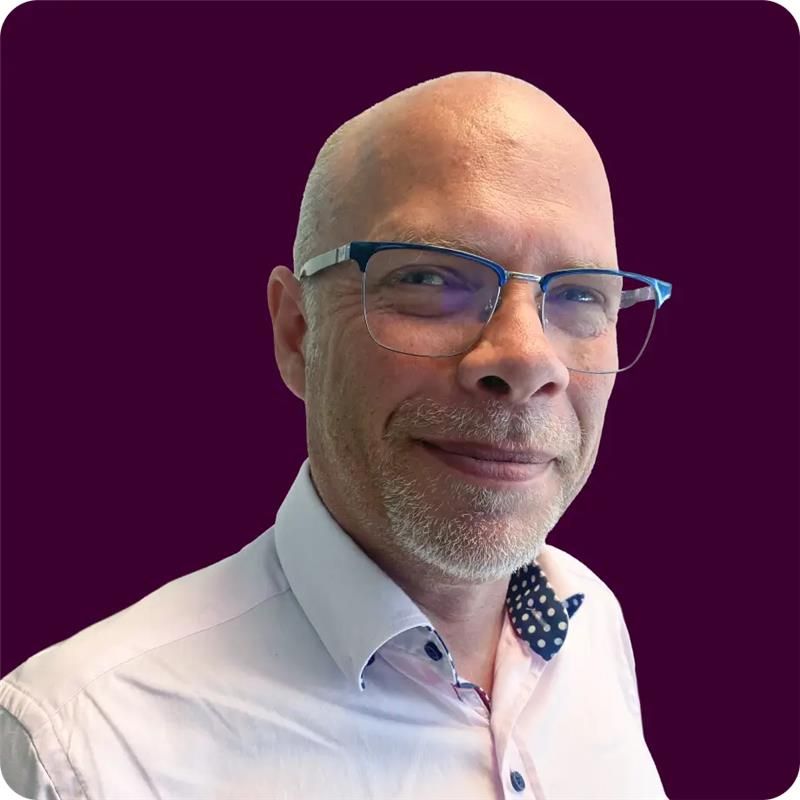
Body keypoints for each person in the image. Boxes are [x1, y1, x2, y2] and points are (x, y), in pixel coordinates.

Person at [0, 70, 672, 799]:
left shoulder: (590, 620)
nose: (525, 361)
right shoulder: (83, 750)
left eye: (579, 295)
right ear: (297, 333)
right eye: (429, 280)